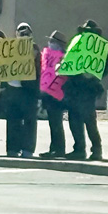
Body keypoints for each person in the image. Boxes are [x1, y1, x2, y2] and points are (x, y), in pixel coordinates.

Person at [64, 20, 108, 161]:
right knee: (74, 120)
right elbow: (69, 60)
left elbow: (105, 68)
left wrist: (93, 75)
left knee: (89, 121)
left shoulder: (99, 48)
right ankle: (79, 149)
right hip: (75, 88)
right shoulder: (76, 43)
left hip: (89, 89)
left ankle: (96, 149)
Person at [1, 22, 41, 157]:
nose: (23, 34)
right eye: (21, 32)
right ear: (16, 33)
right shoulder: (10, 48)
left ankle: (27, 150)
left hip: (29, 90)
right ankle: (12, 149)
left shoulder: (34, 49)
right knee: (13, 119)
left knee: (29, 120)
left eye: (26, 32)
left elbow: (39, 69)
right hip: (12, 89)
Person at [38, 30, 70, 159]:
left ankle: (59, 149)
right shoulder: (48, 56)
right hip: (48, 93)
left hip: (58, 93)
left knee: (56, 122)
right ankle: (54, 148)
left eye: (53, 41)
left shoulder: (64, 57)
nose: (50, 43)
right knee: (53, 122)